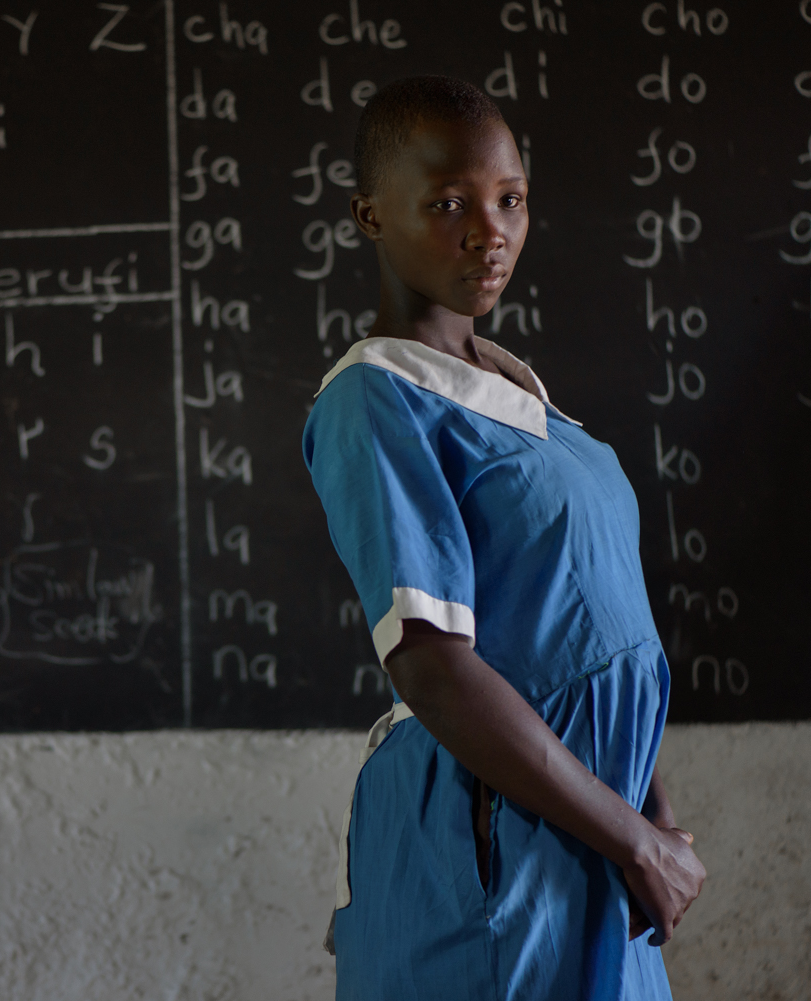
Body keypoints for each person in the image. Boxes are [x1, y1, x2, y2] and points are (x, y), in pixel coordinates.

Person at [302, 76, 706, 1000]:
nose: (490, 231)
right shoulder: (377, 397)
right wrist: (633, 835)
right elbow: (432, 665)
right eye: (448, 203)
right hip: (488, 841)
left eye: (510, 200)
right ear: (370, 214)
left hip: (587, 830)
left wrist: (644, 802)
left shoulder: (518, 389)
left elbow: (586, 628)